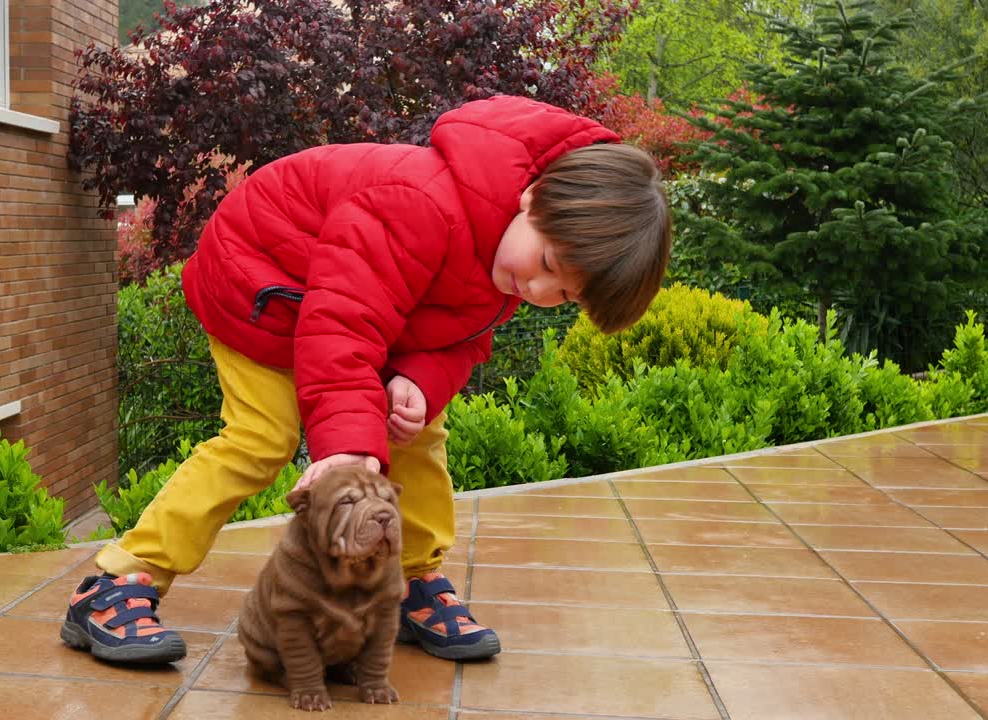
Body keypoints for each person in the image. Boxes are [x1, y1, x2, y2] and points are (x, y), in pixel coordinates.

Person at [60, 95, 673, 665]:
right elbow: (342, 321)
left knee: (420, 432)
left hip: (344, 311)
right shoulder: (419, 202)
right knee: (260, 440)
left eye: (563, 294)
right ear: (532, 197)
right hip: (263, 289)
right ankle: (117, 582)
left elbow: (458, 337)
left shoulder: (503, 259)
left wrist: (418, 381)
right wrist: (349, 443)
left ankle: (412, 578)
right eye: (546, 265)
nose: (537, 290)